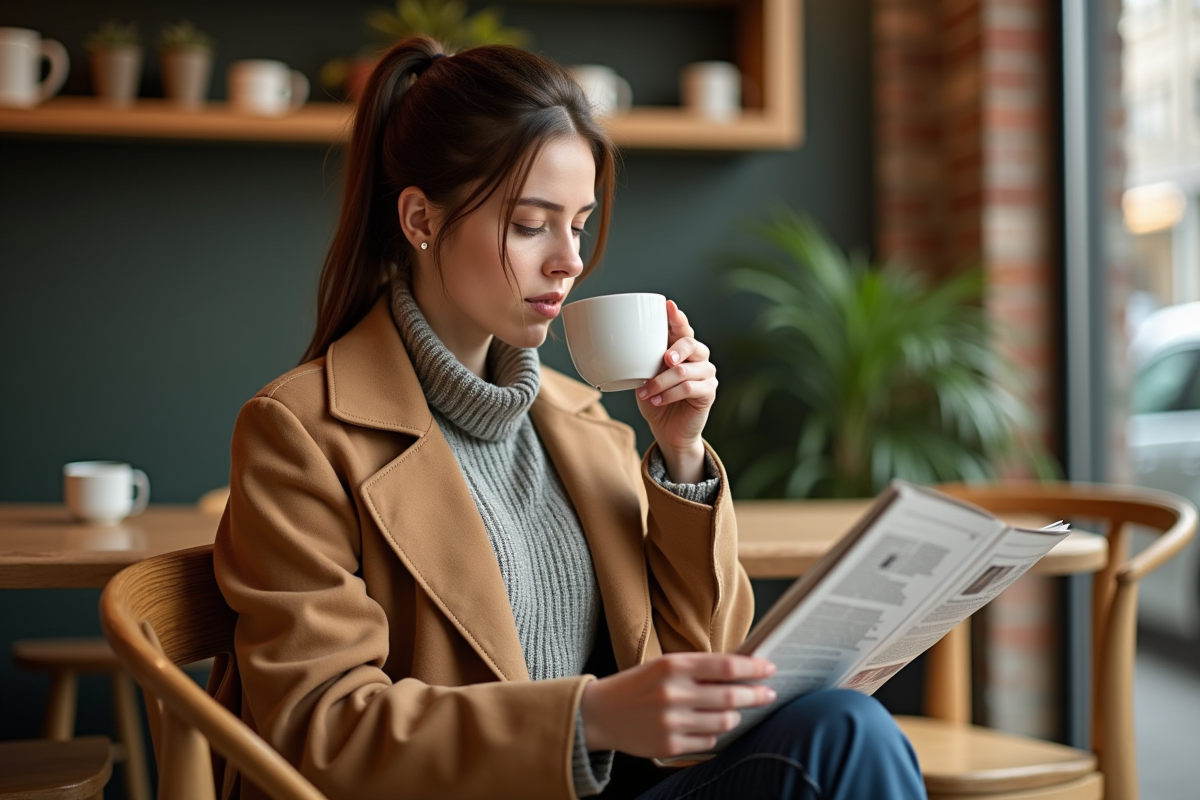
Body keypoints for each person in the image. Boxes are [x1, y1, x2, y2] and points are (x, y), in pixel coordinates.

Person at [211, 35, 927, 800]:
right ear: (420, 218)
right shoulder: (300, 432)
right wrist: (587, 718)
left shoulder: (582, 420)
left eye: (578, 223)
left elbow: (705, 671)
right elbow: (322, 731)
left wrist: (681, 459)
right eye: (531, 224)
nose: (569, 260)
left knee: (845, 728)